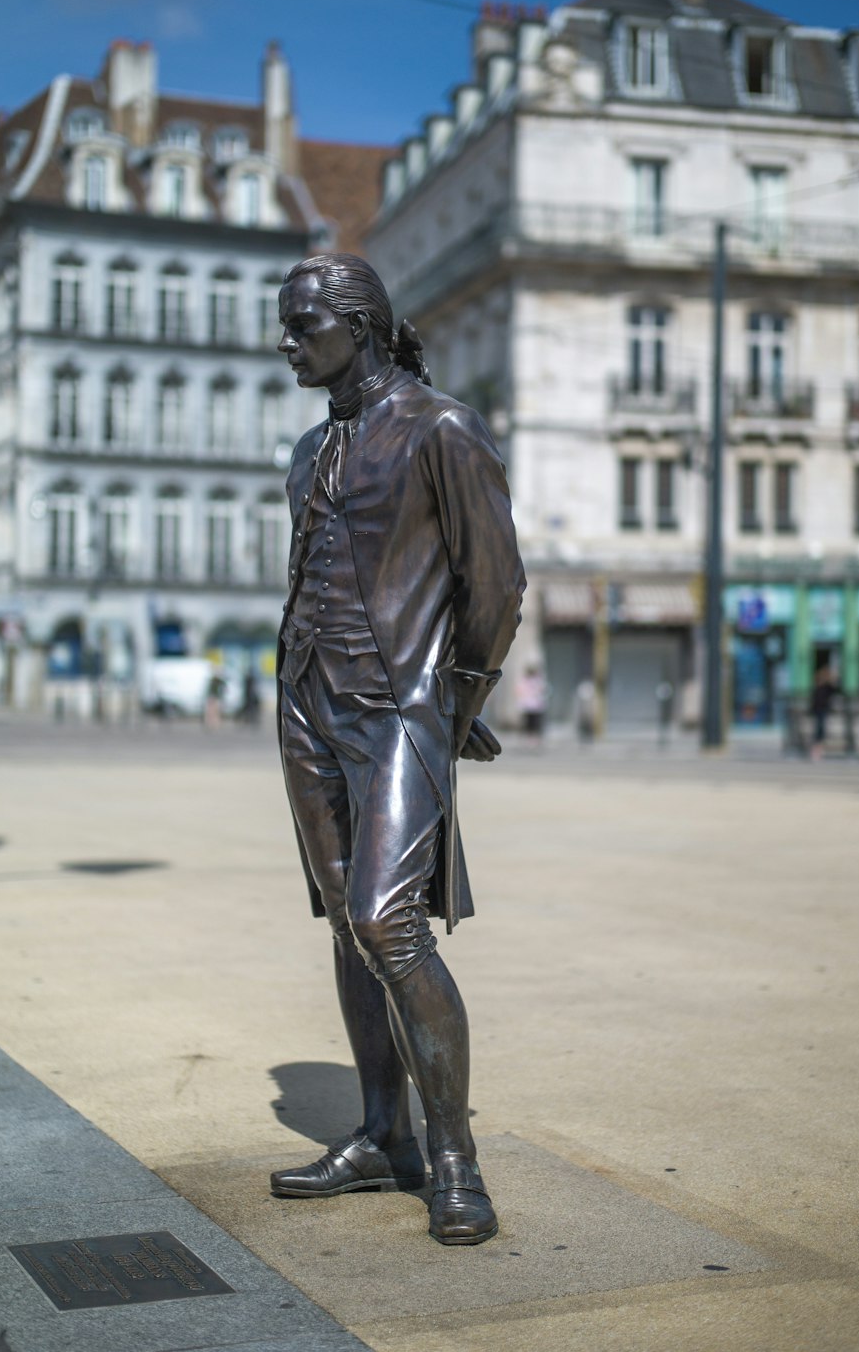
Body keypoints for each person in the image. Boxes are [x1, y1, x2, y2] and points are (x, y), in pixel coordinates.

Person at [271, 253, 525, 1246]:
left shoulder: (442, 429)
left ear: (361, 324)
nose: (286, 343)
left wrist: (455, 703)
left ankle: (452, 1155)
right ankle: (383, 1134)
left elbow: (494, 584)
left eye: (303, 326)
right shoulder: (307, 451)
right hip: (304, 703)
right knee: (345, 920)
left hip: (399, 708)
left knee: (388, 923)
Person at [516, 662, 548, 743]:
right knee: (531, 724)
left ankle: (532, 740)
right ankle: (531, 740)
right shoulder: (527, 681)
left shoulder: (537, 680)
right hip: (530, 705)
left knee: (533, 724)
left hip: (534, 705)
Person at [810, 664, 837, 760]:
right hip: (818, 711)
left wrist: (833, 678)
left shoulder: (827, 687)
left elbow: (835, 689)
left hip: (823, 710)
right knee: (818, 731)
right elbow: (814, 700)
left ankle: (818, 751)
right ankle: (816, 752)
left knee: (821, 731)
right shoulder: (817, 687)